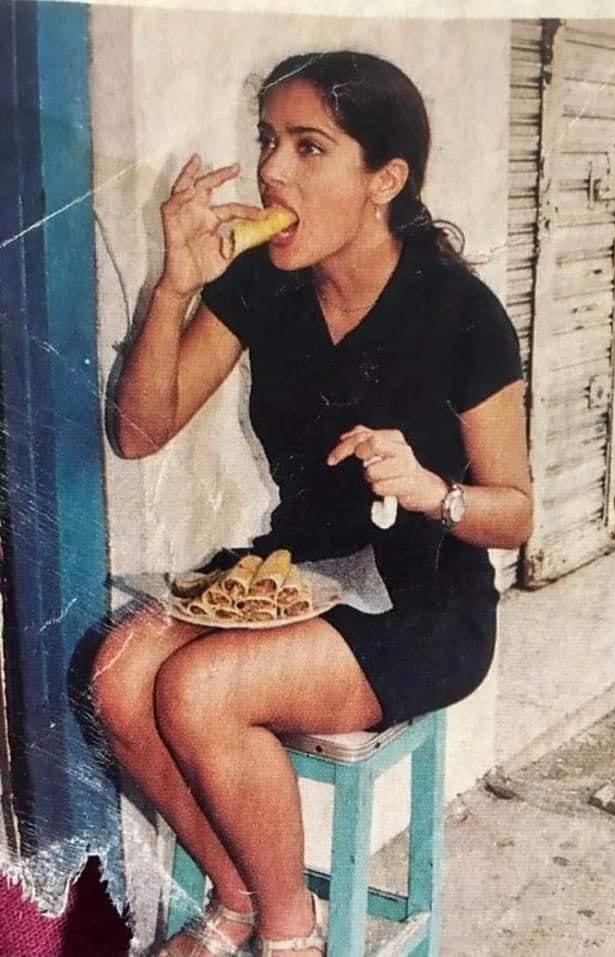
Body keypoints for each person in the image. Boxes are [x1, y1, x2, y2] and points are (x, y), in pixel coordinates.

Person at [91, 50, 533, 957]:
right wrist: (175, 288)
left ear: (385, 179)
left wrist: (433, 491)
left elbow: (517, 513)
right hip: (298, 570)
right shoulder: (264, 283)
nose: (271, 172)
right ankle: (242, 894)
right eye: (267, 143)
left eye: (308, 147)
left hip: (426, 599)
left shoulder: (461, 313)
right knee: (119, 671)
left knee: (200, 689)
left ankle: (290, 936)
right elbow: (139, 431)